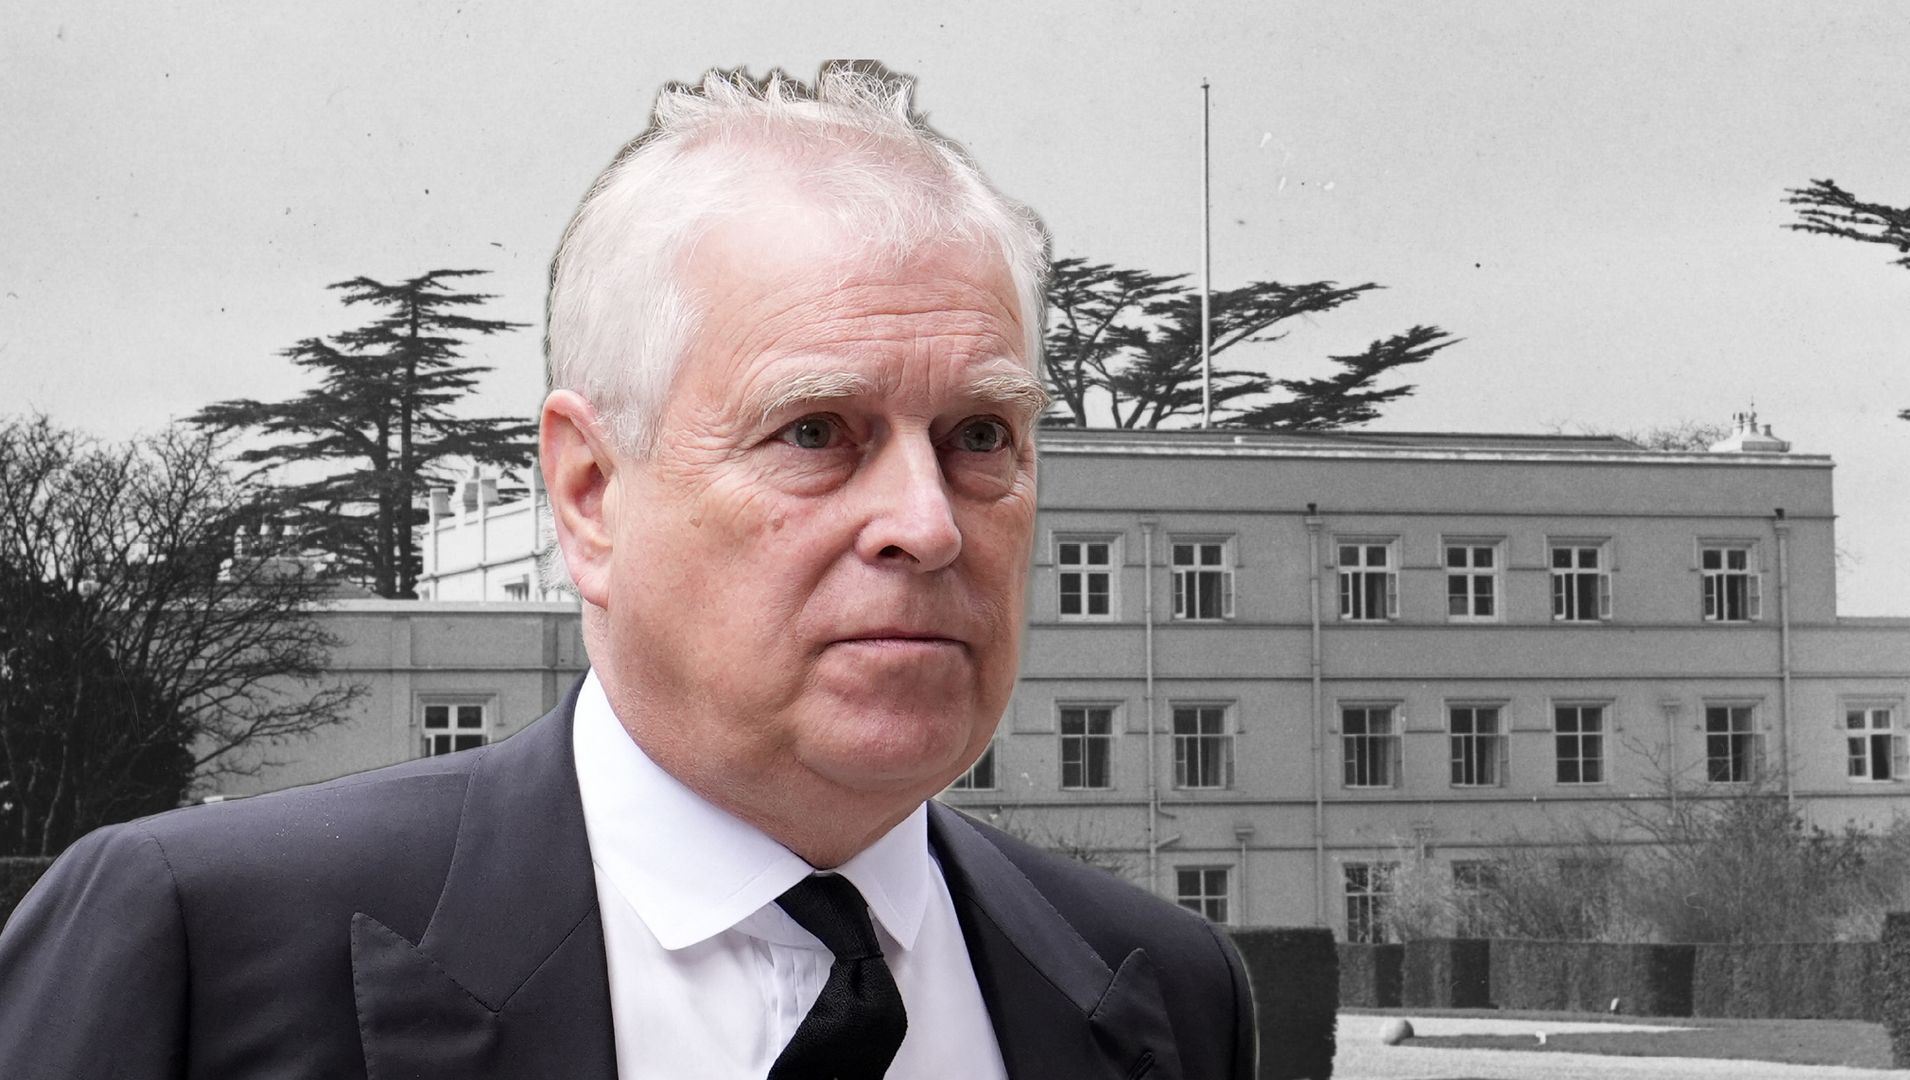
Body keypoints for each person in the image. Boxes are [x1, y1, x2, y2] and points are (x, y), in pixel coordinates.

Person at [0, 65, 1255, 1079]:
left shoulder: (1170, 994)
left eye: (981, 435)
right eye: (816, 431)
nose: (926, 525)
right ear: (590, 494)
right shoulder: (202, 954)